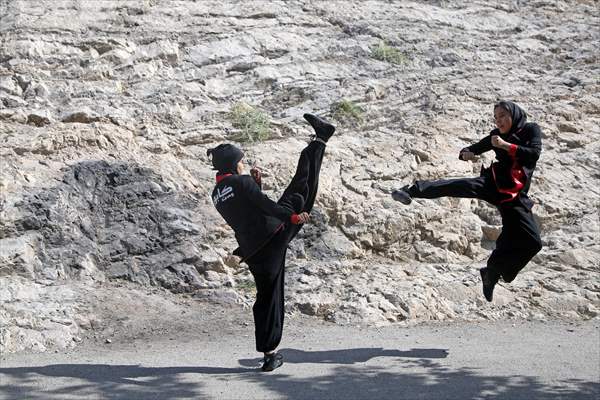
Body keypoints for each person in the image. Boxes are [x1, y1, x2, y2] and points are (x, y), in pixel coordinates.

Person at [208, 113, 335, 371]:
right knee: (300, 190)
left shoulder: (217, 193)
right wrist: (293, 216)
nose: (244, 164)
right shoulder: (241, 181)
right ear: (234, 164)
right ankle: (321, 139)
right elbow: (264, 204)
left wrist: (256, 184)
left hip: (254, 250)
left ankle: (269, 354)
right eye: (241, 161)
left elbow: (245, 209)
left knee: (266, 296)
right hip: (273, 234)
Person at [391, 100, 543, 302]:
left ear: (513, 115)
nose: (499, 121)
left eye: (503, 116)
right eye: (496, 118)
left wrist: (506, 146)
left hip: (515, 196)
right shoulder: (495, 136)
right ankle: (411, 190)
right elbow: (470, 149)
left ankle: (492, 272)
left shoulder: (530, 130)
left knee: (532, 242)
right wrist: (467, 154)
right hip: (493, 183)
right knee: (457, 185)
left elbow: (533, 154)